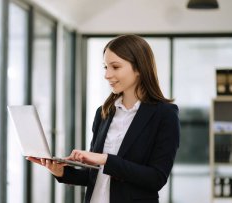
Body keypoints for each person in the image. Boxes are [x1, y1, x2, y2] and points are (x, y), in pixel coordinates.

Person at [27, 34, 180, 203]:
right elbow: (95, 176)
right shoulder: (104, 113)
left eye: (115, 67)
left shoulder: (164, 114)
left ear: (139, 68)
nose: (107, 75)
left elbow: (156, 178)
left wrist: (105, 160)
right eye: (105, 67)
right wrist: (60, 171)